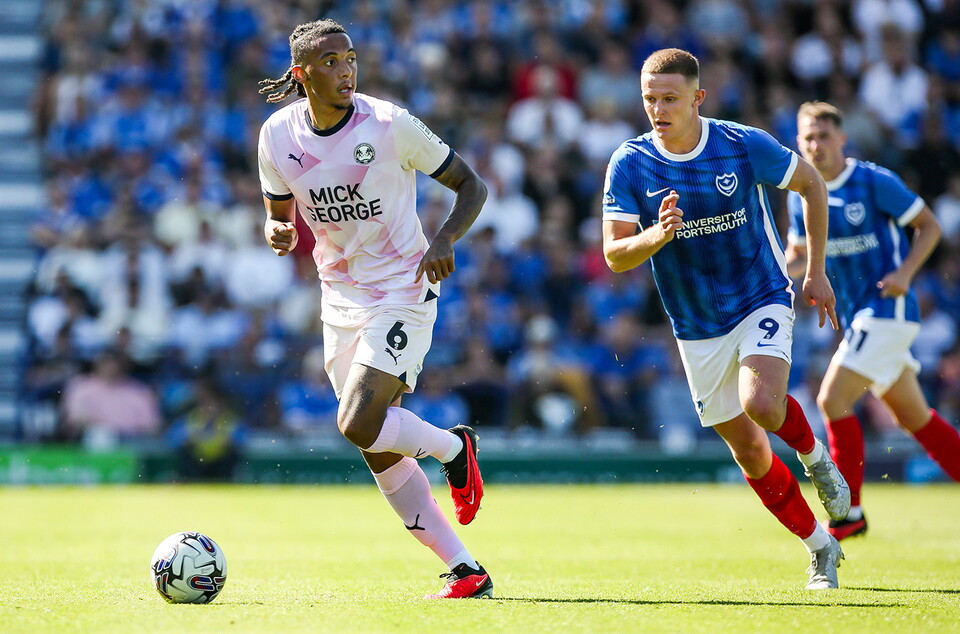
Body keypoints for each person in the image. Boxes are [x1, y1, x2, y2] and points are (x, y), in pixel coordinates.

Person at [256, 19, 491, 600]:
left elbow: (472, 186)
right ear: (301, 74)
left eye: (350, 59)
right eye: (331, 62)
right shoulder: (277, 135)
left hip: (404, 288)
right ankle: (466, 569)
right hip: (340, 295)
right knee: (376, 446)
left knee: (357, 423)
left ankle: (454, 449)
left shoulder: (389, 124)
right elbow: (278, 214)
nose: (346, 71)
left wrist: (444, 239)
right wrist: (276, 231)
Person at [601, 49, 850, 590]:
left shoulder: (741, 144)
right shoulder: (630, 161)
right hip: (696, 326)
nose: (658, 109)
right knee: (750, 452)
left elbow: (812, 184)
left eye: (670, 98)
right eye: (649, 99)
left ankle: (816, 458)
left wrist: (816, 271)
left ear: (698, 98)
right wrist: (656, 235)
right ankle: (820, 546)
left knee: (761, 403)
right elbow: (614, 255)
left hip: (760, 296)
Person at [785, 101, 960, 541]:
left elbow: (929, 225)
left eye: (824, 136)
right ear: (799, 143)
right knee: (914, 417)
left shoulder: (873, 181)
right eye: (808, 138)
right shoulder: (801, 194)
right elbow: (798, 255)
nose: (816, 145)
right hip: (858, 320)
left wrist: (905, 273)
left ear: (842, 139)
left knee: (832, 400)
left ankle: (850, 513)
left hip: (886, 311)